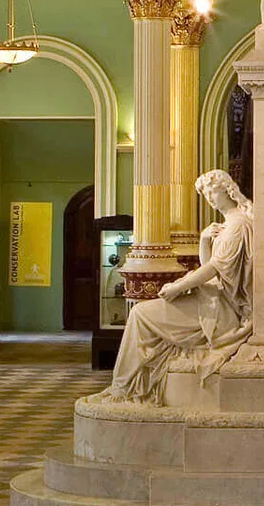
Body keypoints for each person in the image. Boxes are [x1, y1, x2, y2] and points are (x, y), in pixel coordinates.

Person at [88, 171, 253, 406]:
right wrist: (205, 241)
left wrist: (178, 287)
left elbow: (213, 270)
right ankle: (125, 386)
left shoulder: (237, 226)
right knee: (141, 314)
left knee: (140, 315)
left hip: (223, 309)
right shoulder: (227, 225)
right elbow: (212, 268)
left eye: (212, 191)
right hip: (214, 297)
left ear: (227, 189)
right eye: (205, 194)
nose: (209, 198)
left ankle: (123, 388)